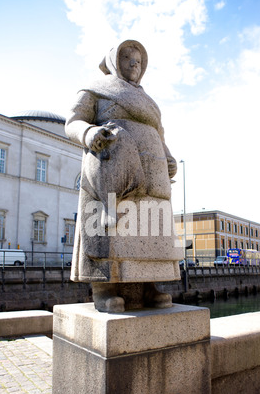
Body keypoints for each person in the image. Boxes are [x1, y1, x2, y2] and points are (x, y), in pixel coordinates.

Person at [65, 40, 182, 312]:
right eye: (127, 57)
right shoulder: (96, 89)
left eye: (139, 60)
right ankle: (104, 288)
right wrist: (89, 133)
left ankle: (149, 283)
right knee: (112, 226)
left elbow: (159, 134)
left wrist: (167, 156)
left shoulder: (149, 103)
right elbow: (73, 121)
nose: (134, 64)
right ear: (114, 60)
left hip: (153, 170)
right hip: (112, 159)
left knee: (152, 223)